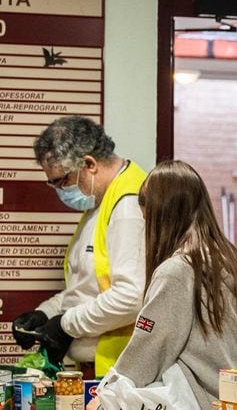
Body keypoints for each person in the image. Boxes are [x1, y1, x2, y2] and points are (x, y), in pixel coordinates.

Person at [93, 161, 237, 410]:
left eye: (147, 219)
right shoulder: (230, 263)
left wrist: (107, 396)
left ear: (161, 216)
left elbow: (149, 348)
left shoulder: (178, 271)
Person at [12, 116, 147, 375]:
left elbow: (131, 297)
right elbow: (89, 285)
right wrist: (45, 314)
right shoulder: (100, 201)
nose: (59, 191)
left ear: (89, 164)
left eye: (61, 181)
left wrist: (65, 325)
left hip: (119, 370)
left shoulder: (128, 205)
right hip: (97, 368)